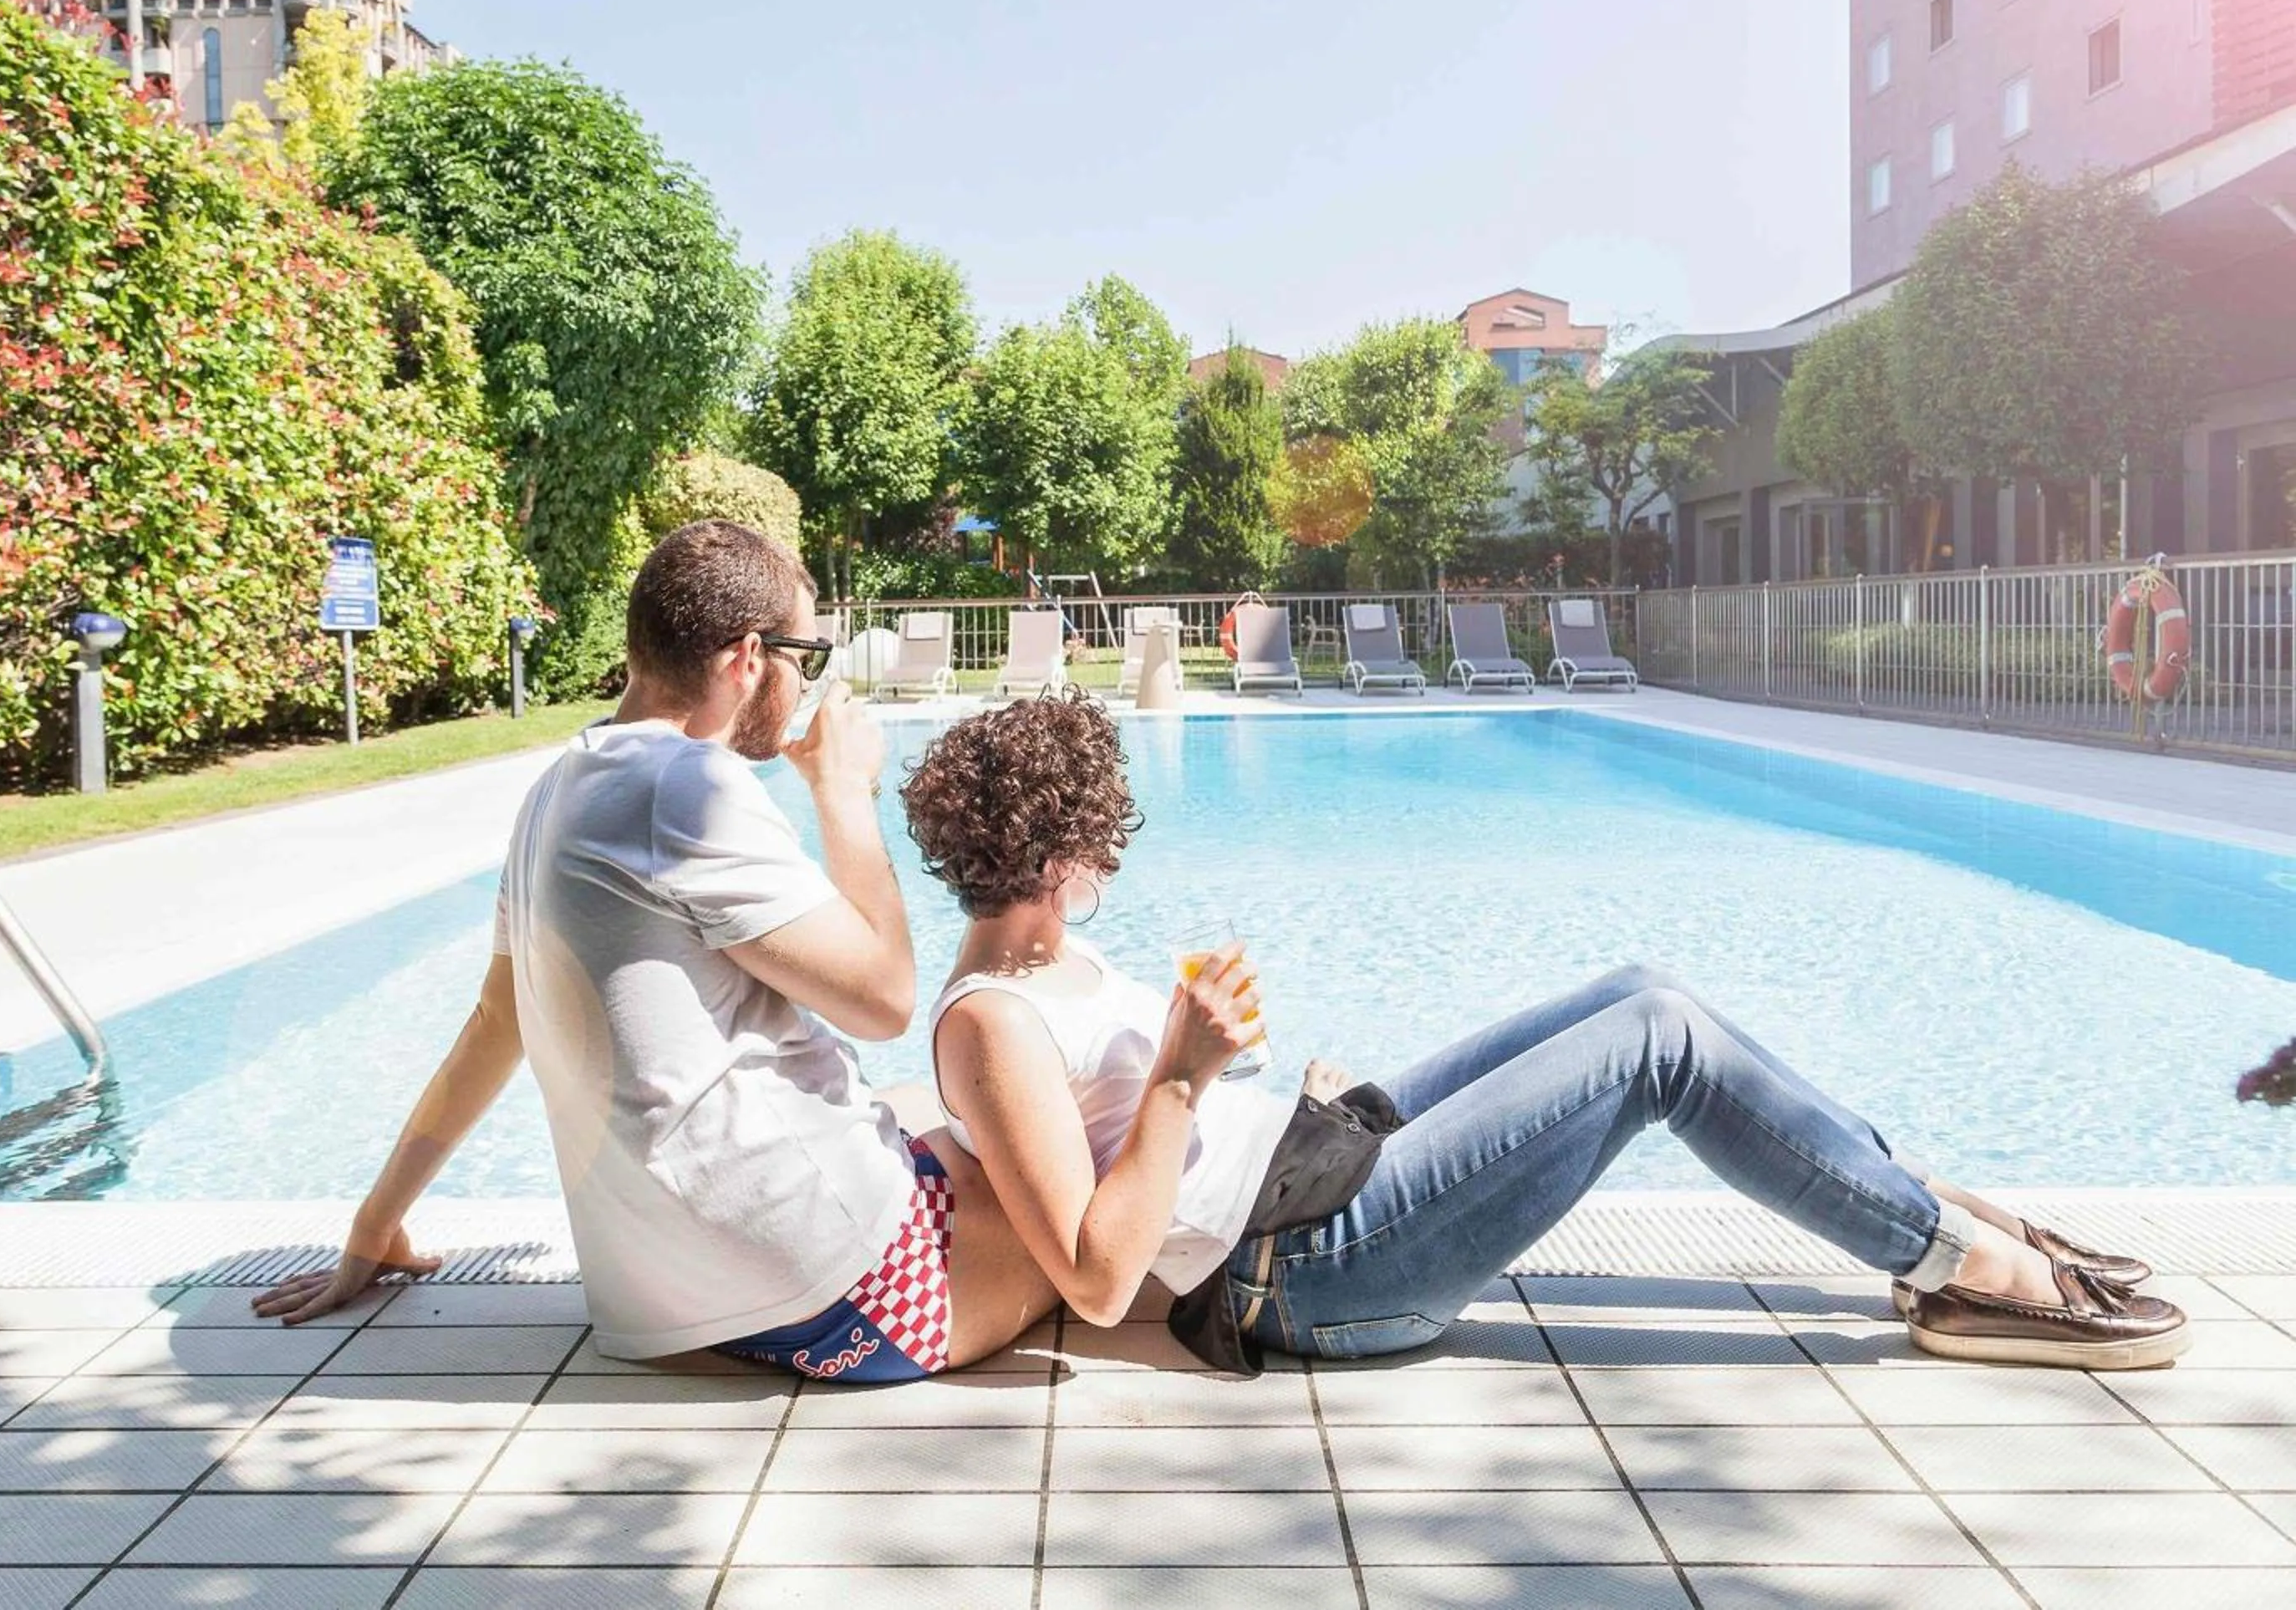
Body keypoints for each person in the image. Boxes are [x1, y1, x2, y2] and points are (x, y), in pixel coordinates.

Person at [896, 692, 2190, 1373]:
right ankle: (1967, 1262)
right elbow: (1098, 1278)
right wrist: (1187, 1071)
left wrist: (1267, 1096)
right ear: (1064, 856)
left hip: (1311, 1162)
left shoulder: (1049, 953)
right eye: (1101, 846)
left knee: (1635, 983)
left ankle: (1915, 1208)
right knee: (1658, 1040)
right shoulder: (991, 1022)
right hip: (1304, 1268)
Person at [255, 520, 1056, 1379]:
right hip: (829, 1286)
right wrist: (842, 793)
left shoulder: (556, 790)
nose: (805, 683)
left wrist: (376, 1222)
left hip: (669, 1297)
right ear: (748, 658)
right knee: (1072, 1177)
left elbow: (497, 1020)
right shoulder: (688, 786)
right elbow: (885, 999)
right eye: (804, 658)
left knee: (951, 1107)